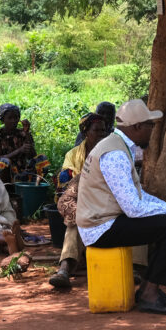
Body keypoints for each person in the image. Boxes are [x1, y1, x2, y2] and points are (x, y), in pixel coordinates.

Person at [76, 99, 166, 315]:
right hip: (101, 228)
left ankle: (150, 289)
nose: (153, 130)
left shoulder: (118, 146)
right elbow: (134, 209)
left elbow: (138, 196)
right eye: (150, 125)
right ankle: (149, 293)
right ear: (137, 127)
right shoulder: (115, 154)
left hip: (105, 220)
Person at [49, 113, 110, 290]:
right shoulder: (74, 156)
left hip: (109, 206)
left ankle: (135, 269)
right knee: (74, 225)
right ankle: (64, 269)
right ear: (85, 133)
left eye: (104, 131)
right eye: (96, 130)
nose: (101, 135)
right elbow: (65, 188)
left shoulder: (112, 153)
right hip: (84, 204)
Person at [0, 103, 50, 184]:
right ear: (3, 120)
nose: (13, 121)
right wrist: (19, 150)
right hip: (3, 172)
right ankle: (7, 188)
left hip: (21, 171)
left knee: (42, 158)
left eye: (16, 117)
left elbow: (32, 156)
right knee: (4, 161)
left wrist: (26, 133)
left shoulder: (23, 133)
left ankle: (34, 186)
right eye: (9, 118)